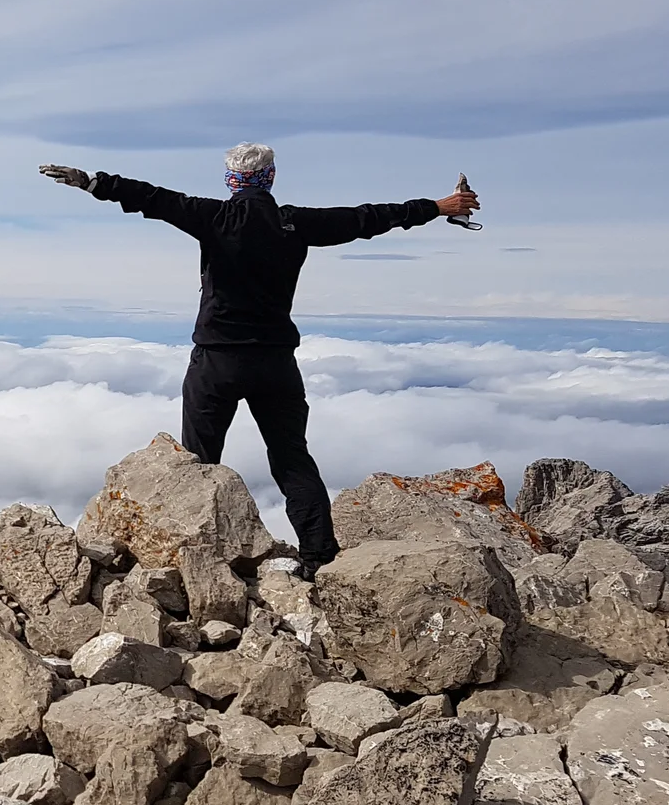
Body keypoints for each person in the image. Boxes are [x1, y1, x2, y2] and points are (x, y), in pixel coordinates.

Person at [39, 143, 479, 579]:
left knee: (197, 463)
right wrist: (438, 206)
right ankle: (320, 557)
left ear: (231, 180)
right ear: (270, 177)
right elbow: (369, 218)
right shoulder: (296, 223)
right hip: (275, 363)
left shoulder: (211, 216)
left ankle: (195, 564)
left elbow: (149, 197)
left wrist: (92, 182)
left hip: (216, 362)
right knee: (291, 458)